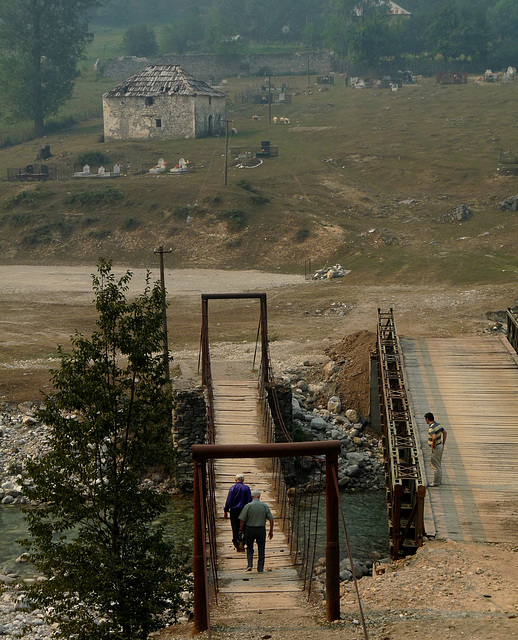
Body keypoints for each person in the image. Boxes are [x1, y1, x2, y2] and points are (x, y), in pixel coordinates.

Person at [239, 489, 274, 572]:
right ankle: (260, 567)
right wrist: (271, 531)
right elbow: (271, 519)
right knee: (261, 548)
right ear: (259, 497)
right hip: (261, 529)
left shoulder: (248, 506)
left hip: (249, 529)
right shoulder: (264, 506)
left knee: (249, 547)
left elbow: (242, 520)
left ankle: (250, 565)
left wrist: (241, 530)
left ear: (252, 497)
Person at [224, 474, 252, 551]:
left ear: (235, 480)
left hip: (234, 511)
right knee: (244, 526)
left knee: (235, 527)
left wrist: (226, 510)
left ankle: (236, 542)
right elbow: (249, 500)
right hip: (244, 510)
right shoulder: (247, 488)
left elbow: (229, 500)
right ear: (243, 480)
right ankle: (243, 541)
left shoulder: (232, 488)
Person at [424, 412, 447, 487]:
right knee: (438, 464)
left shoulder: (431, 428)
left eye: (425, 419)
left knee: (435, 465)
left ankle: (436, 482)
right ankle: (439, 480)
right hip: (440, 446)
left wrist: (432, 446)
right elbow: (445, 432)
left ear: (427, 419)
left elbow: (434, 437)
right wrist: (443, 443)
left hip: (436, 447)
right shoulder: (438, 424)